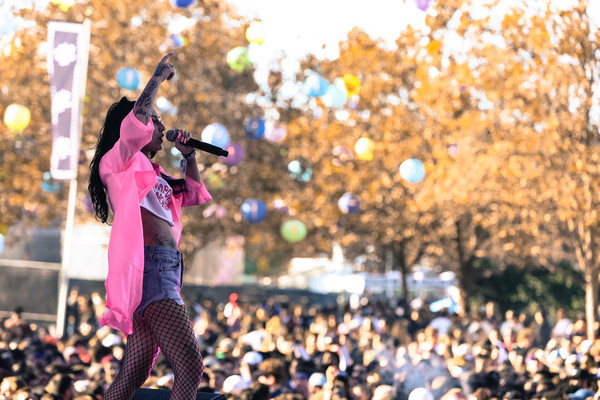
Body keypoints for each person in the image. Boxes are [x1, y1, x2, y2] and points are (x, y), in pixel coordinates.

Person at [88, 53, 212, 399]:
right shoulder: (119, 162)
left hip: (167, 270)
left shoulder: (155, 173)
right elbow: (135, 125)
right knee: (190, 367)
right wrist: (157, 77)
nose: (160, 127)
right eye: (155, 121)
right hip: (150, 271)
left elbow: (193, 194)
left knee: (134, 374)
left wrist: (189, 155)